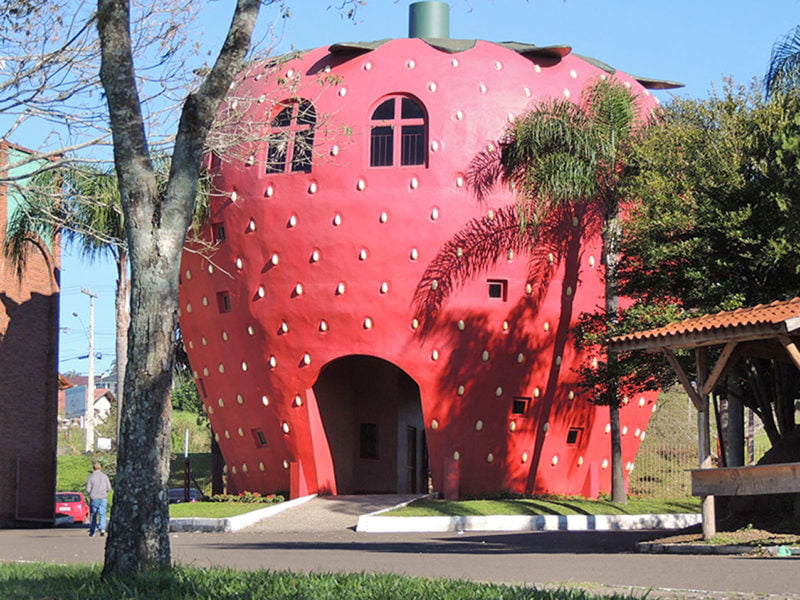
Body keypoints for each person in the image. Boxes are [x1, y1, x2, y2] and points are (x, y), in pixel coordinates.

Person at [85, 462, 111, 536]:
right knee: (102, 514)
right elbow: (109, 488)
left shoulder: (91, 477)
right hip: (103, 497)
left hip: (94, 498)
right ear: (100, 468)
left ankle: (93, 531)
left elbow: (88, 489)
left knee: (93, 514)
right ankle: (102, 529)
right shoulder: (104, 476)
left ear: (93, 468)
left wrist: (90, 493)